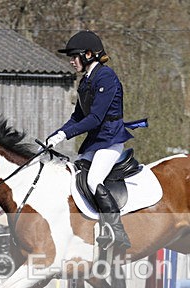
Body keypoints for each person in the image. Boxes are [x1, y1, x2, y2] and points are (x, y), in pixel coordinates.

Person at [46, 30, 132, 252]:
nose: (72, 61)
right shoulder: (86, 81)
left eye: (75, 56)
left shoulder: (106, 77)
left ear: (89, 55)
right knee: (73, 175)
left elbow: (95, 118)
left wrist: (66, 135)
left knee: (94, 180)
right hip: (95, 142)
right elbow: (77, 117)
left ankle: (117, 231)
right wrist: (56, 134)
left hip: (111, 139)